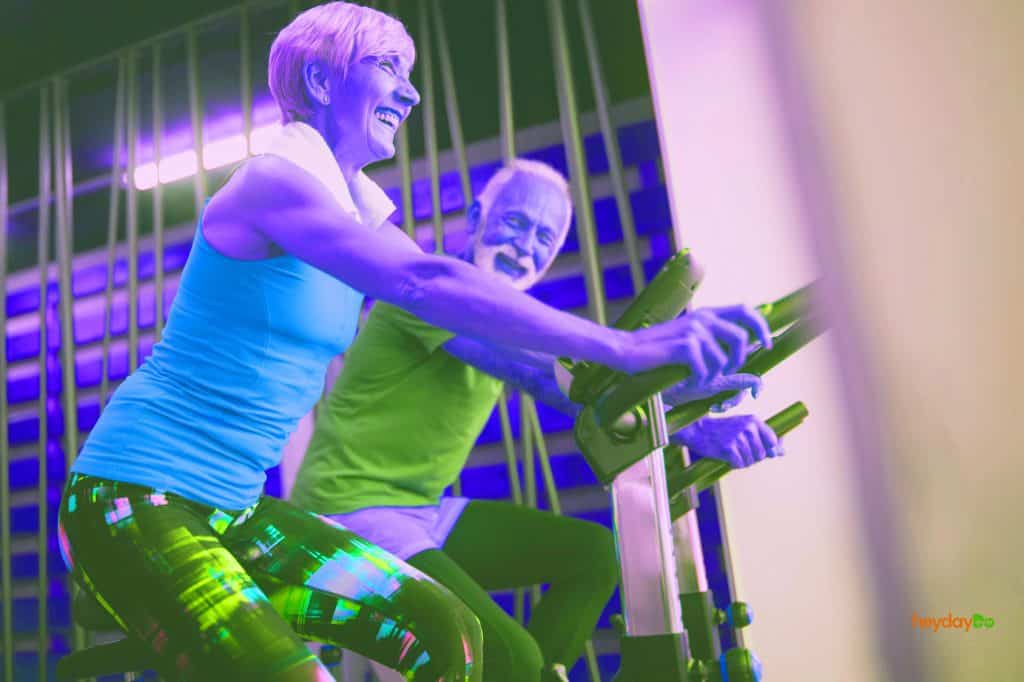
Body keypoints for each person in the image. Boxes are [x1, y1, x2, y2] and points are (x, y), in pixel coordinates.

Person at [56, 2, 769, 680]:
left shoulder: (355, 211)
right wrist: (628, 347)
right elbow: (425, 281)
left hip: (236, 509)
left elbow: (542, 360)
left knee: (445, 629)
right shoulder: (274, 184)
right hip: (134, 498)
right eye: (390, 69)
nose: (411, 93)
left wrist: (682, 395)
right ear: (321, 79)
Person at [290, 159, 782, 682]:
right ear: (478, 215)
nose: (526, 246)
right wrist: (692, 426)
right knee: (511, 656)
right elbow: (543, 377)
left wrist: (679, 398)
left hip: (420, 511)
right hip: (345, 513)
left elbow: (573, 375)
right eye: (517, 223)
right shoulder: (430, 290)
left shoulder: (506, 316)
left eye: (545, 236)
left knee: (593, 555)